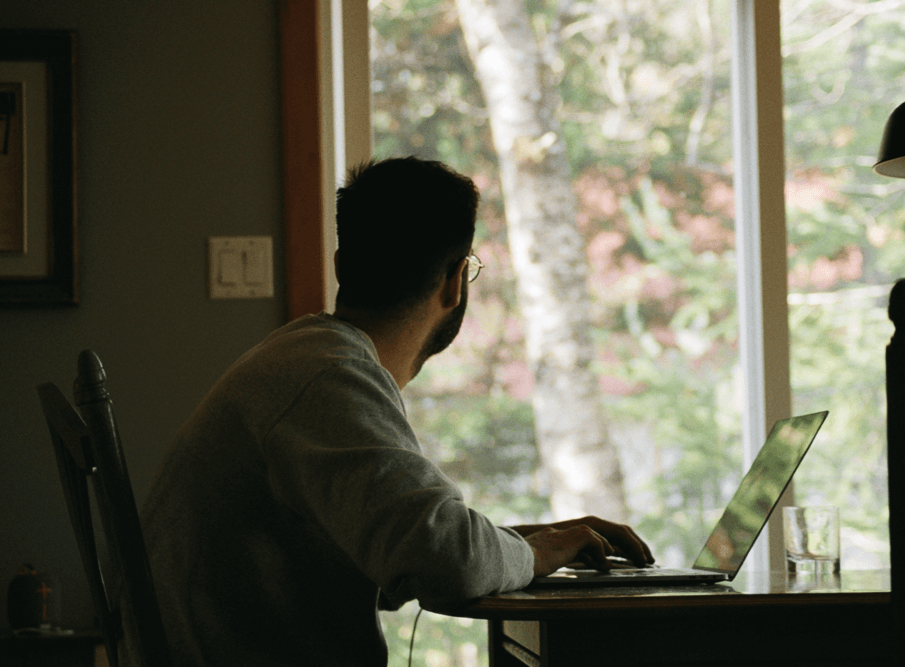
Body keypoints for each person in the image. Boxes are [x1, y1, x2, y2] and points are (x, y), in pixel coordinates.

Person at [139, 156, 653, 666]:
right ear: (455, 283)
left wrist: (526, 543)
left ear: (341, 267)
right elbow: (446, 563)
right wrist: (536, 554)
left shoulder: (304, 360)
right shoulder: (329, 377)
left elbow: (407, 542)